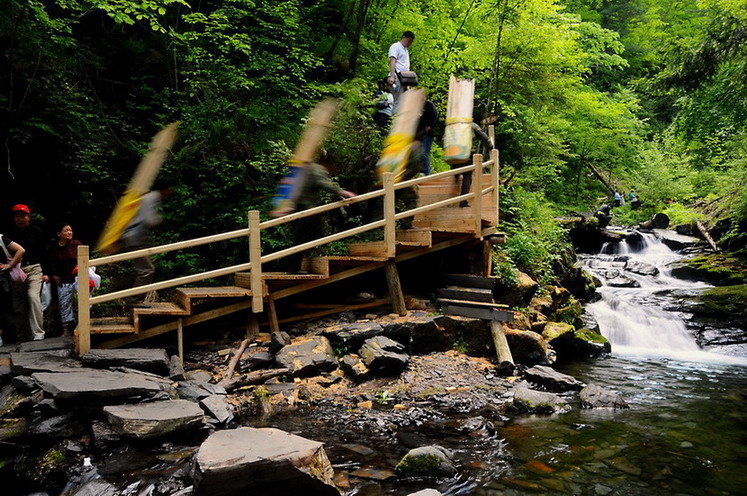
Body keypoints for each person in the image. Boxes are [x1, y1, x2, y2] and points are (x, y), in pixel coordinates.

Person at [287, 161, 355, 272]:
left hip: (298, 207)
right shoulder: (315, 168)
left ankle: (298, 263)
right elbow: (324, 183)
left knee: (302, 237)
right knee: (305, 236)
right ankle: (294, 266)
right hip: (306, 208)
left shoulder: (303, 168)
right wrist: (343, 192)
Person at [119, 176, 175, 305]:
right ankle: (133, 299)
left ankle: (128, 293)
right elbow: (148, 219)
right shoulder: (151, 198)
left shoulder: (150, 197)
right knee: (147, 270)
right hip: (135, 238)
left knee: (144, 269)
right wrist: (159, 220)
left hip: (134, 237)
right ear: (165, 189)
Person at [8, 204, 50, 341]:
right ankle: (22, 335)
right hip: (15, 270)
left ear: (28, 217)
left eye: (22, 216)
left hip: (34, 268)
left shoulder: (37, 231)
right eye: (17, 216)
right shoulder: (9, 233)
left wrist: (47, 272)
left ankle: (38, 333)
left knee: (33, 297)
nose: (20, 219)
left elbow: (45, 253)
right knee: (18, 304)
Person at [50, 223, 81, 336]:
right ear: (59, 234)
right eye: (66, 230)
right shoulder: (54, 247)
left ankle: (80, 327)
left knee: (80, 303)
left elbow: (85, 259)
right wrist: (53, 275)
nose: (69, 232)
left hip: (78, 278)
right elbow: (51, 263)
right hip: (63, 279)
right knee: (65, 305)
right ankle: (67, 330)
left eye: (70, 230)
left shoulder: (77, 244)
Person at [456, 123, 493, 208]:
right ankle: (463, 201)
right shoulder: (471, 125)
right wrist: (490, 146)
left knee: (457, 170)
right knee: (467, 176)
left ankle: (456, 178)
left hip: (453, 153)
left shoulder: (453, 124)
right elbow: (484, 137)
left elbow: (444, 139)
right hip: (466, 153)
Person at [0, 234, 25, 346]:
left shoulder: (1, 238)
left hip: (4, 277)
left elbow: (20, 250)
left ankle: (15, 337)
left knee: (11, 307)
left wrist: (11, 264)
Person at [388, 31, 415, 102]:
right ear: (404, 37)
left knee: (402, 101)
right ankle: (393, 113)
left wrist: (407, 83)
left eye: (411, 42)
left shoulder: (405, 50)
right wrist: (392, 76)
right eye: (409, 41)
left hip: (404, 79)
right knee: (395, 101)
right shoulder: (396, 46)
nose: (409, 44)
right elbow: (392, 61)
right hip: (397, 77)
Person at [416, 100, 438, 176]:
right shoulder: (415, 107)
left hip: (427, 134)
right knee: (418, 154)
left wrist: (431, 125)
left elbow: (435, 114)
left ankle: (427, 172)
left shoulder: (428, 105)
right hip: (418, 135)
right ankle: (421, 171)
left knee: (424, 153)